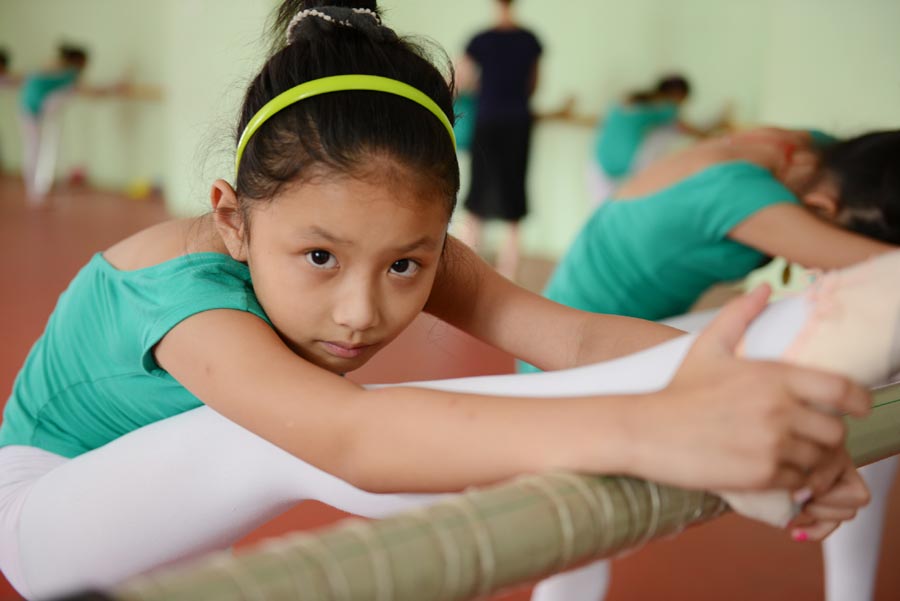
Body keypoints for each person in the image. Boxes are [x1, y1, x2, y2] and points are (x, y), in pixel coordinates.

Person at [0, 2, 879, 599]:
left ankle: (771, 397)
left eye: (406, 266)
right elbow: (351, 440)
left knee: (322, 426)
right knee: (288, 426)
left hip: (176, 507)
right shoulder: (186, 298)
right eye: (318, 256)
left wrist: (760, 406)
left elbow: (570, 339)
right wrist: (666, 427)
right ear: (232, 218)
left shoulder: (406, 255)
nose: (361, 310)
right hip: (50, 513)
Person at [525, 127, 900, 601]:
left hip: (606, 331)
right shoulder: (743, 194)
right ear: (824, 210)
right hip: (569, 355)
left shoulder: (805, 150)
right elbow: (883, 271)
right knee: (583, 541)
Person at [456, 0, 542, 280]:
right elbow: (533, 85)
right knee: (514, 197)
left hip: (489, 121)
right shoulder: (529, 40)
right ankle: (509, 275)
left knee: (478, 194)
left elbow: (460, 81)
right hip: (518, 122)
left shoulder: (481, 39)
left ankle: (468, 271)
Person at [587, 75, 729, 204]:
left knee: (605, 214)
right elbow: (691, 130)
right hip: (628, 162)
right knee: (667, 131)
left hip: (598, 162)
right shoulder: (666, 108)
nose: (680, 107)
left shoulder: (627, 99)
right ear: (677, 95)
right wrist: (718, 137)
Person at [18, 44, 89, 203]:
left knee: (36, 148)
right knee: (33, 149)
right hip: (32, 109)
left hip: (35, 108)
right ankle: (34, 191)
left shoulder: (60, 70)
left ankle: (36, 190)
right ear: (79, 61)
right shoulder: (67, 72)